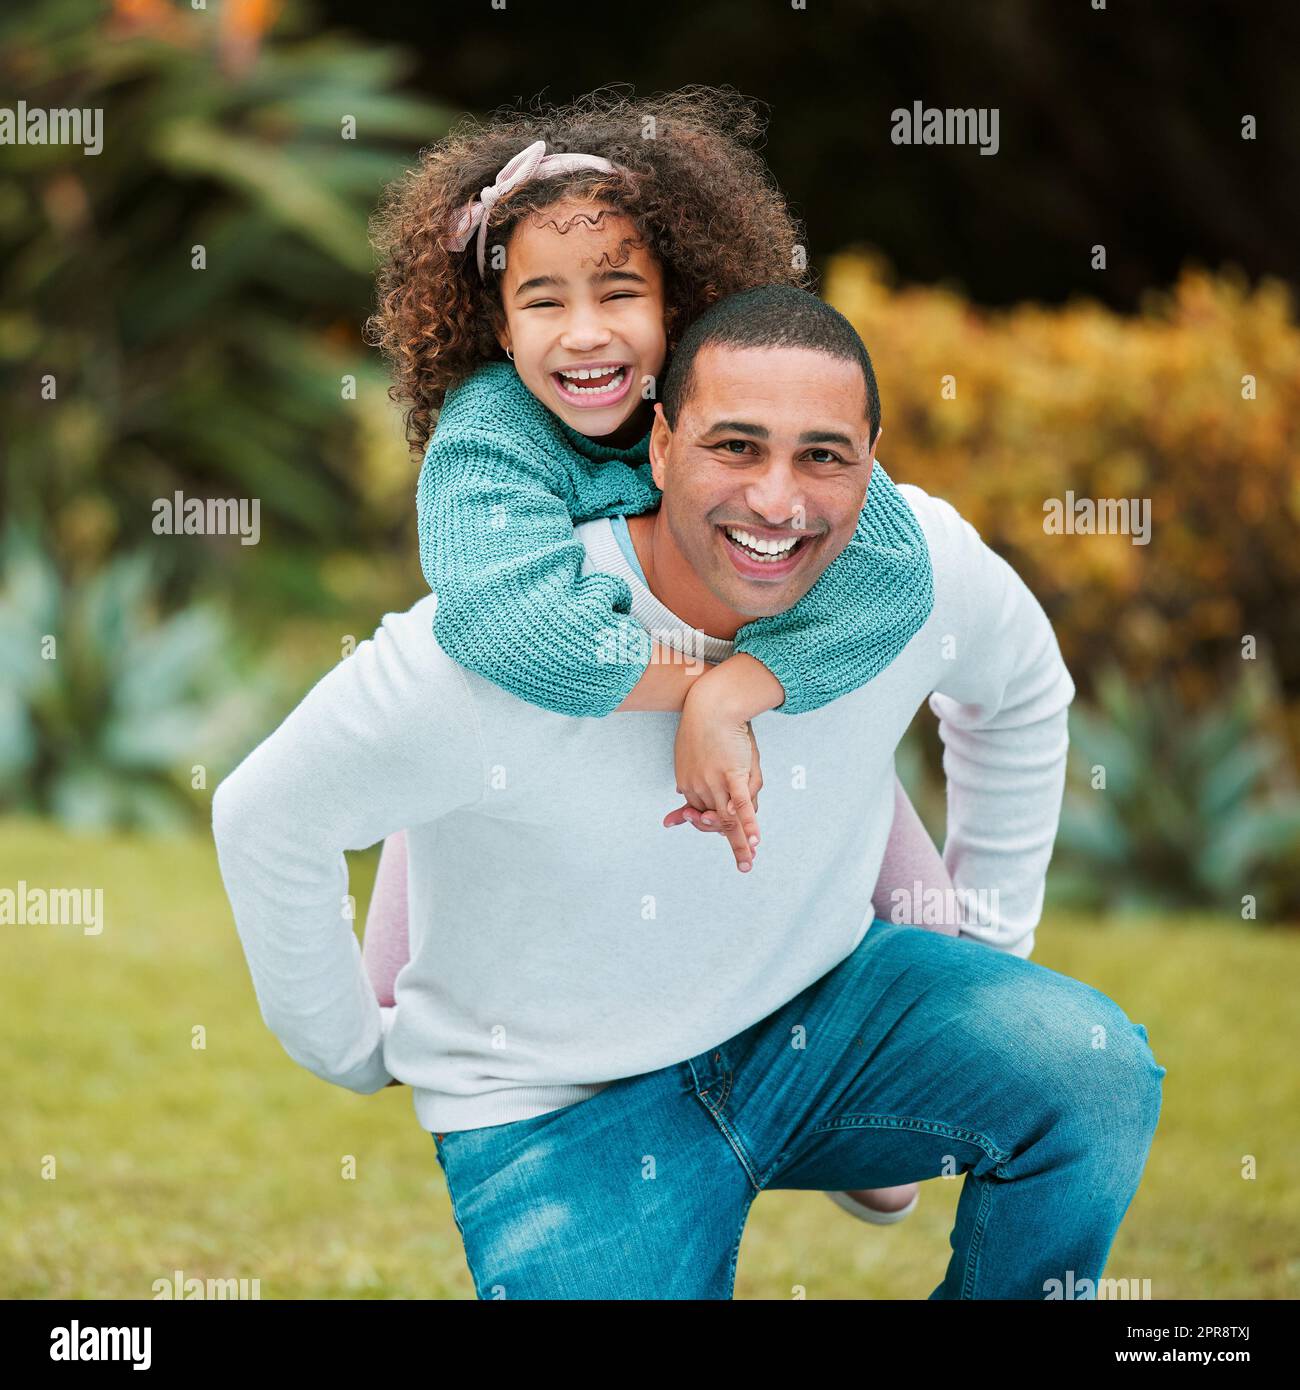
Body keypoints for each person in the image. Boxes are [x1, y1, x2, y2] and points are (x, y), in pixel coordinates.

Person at [214, 283, 1166, 1299]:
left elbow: (1021, 693)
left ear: (871, 457)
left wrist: (983, 956)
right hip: (559, 1107)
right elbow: (268, 814)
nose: (776, 501)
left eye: (822, 455)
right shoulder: (509, 641)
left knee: (1088, 1066)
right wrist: (352, 1051)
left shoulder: (909, 569)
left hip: (819, 1022)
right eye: (736, 446)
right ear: (660, 443)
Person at [364, 87, 964, 1222]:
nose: (584, 333)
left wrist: (739, 692)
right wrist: (695, 694)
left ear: (679, 300)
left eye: (619, 293)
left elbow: (892, 570)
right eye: (543, 300)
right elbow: (515, 630)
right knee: (386, 1001)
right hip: (529, 727)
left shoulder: (721, 397)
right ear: (496, 324)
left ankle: (882, 1087)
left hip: (785, 709)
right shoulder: (489, 433)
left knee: (936, 967)